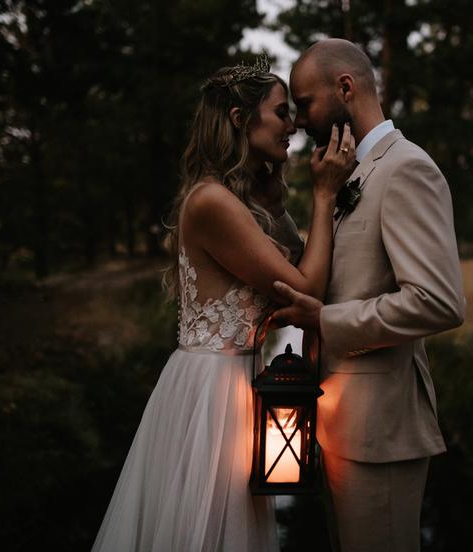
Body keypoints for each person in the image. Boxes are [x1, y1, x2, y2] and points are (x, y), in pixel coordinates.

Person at [91, 58, 356, 552]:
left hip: (235, 383)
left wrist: (277, 208)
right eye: (281, 113)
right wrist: (324, 194)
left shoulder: (238, 201)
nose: (293, 126)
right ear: (240, 118)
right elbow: (307, 288)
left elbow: (299, 264)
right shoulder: (211, 202)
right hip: (212, 393)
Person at [273, 39, 466, 552]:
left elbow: (438, 301)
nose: (299, 120)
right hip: (337, 422)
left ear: (345, 87)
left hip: (380, 430)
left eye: (305, 102)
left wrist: (326, 321)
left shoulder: (406, 169)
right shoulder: (345, 173)